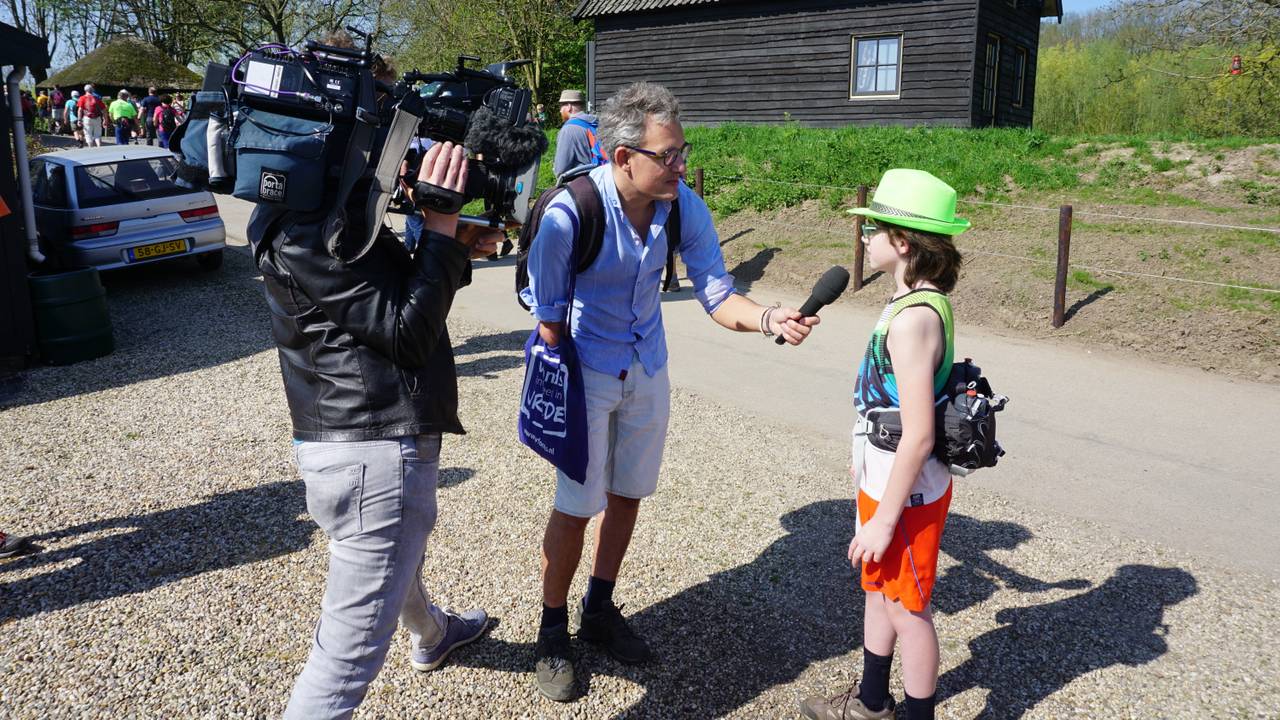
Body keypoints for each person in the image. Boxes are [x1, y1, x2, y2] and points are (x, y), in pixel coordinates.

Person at [521, 81, 820, 702]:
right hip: (586, 368)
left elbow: (717, 293)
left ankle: (598, 610)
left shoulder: (683, 206)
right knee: (576, 503)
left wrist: (768, 318)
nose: (680, 165)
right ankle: (551, 632)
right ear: (622, 157)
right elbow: (549, 322)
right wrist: (562, 402)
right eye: (667, 155)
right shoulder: (568, 215)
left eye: (682, 152)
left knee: (628, 493)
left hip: (647, 366)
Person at [249, 140, 503, 719]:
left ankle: (433, 633)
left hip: (344, 441)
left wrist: (450, 248)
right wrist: (440, 227)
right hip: (375, 451)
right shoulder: (313, 228)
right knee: (343, 662)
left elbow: (380, 301)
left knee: (393, 556)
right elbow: (406, 332)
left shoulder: (301, 208)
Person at [798, 169, 970, 720]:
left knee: (908, 611)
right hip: (886, 479)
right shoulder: (911, 299)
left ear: (904, 243)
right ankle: (871, 702)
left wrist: (884, 521)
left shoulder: (913, 319)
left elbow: (919, 434)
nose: (865, 236)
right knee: (879, 591)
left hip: (907, 493)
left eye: (874, 227)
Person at [551, 89, 607, 179]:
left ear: (569, 107)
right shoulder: (597, 123)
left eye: (561, 106)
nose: (560, 110)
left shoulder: (568, 130)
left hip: (582, 182)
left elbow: (560, 170)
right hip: (603, 177)